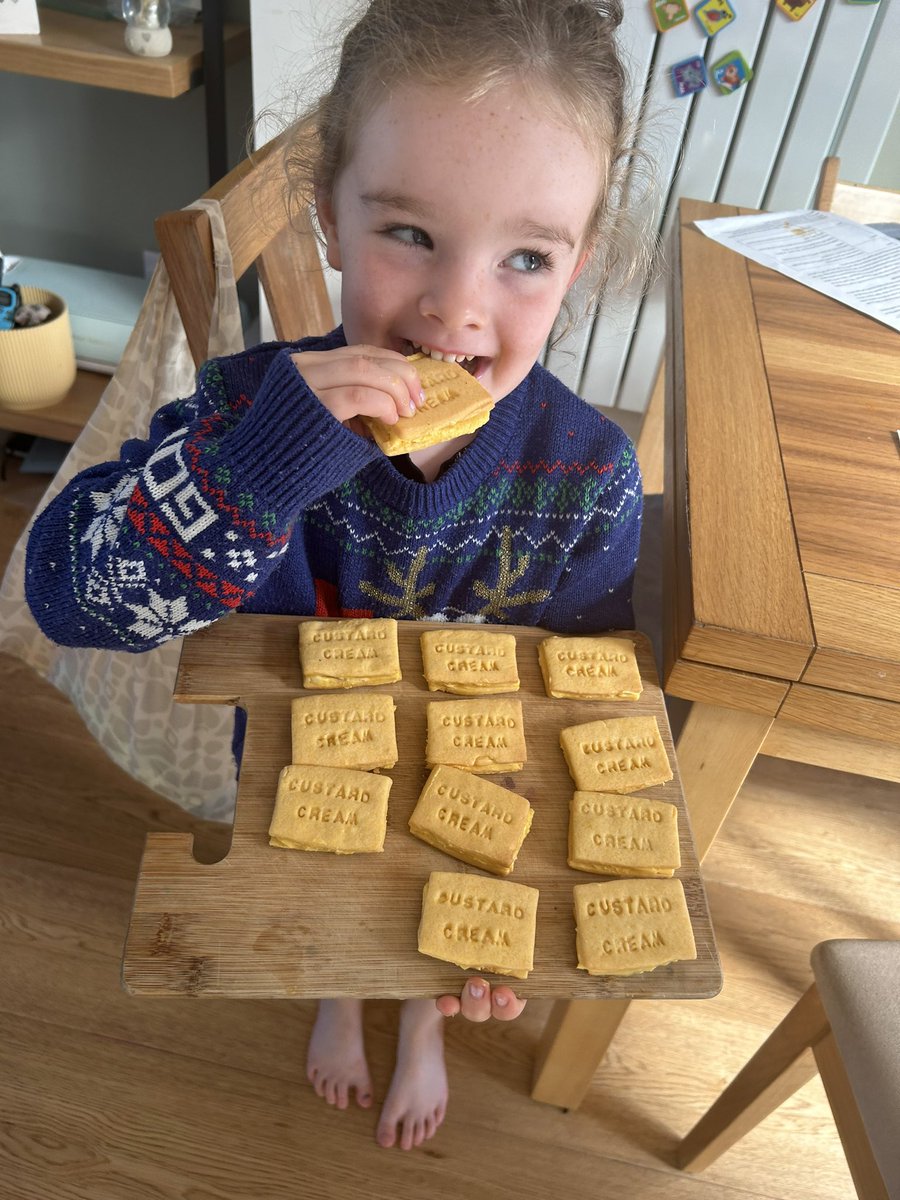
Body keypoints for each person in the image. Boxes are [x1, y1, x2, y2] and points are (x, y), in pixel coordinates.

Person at [25, 0, 647, 1154]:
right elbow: (65, 592)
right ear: (328, 217)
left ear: (582, 260)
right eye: (410, 232)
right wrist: (255, 474)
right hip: (293, 770)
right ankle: (341, 994)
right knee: (336, 903)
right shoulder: (245, 416)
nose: (458, 308)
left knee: (441, 937)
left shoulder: (591, 474)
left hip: (474, 790)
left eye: (525, 257)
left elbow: (585, 693)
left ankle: (421, 1021)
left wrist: (530, 909)